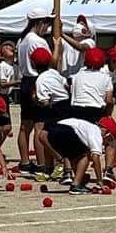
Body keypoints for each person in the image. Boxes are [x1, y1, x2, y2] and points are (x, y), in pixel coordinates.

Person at [16, 9, 53, 175]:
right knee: (40, 125)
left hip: (25, 81)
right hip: (37, 80)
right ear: (39, 23)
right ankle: (42, 164)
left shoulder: (22, 40)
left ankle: (24, 162)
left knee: (25, 126)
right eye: (47, 23)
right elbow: (51, 62)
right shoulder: (38, 41)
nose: (48, 27)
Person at [45, 114, 116, 193]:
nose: (106, 142)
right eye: (109, 138)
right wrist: (100, 181)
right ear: (105, 131)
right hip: (65, 131)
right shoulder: (96, 132)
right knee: (84, 157)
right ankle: (76, 185)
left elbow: (42, 136)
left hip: (53, 130)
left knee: (74, 155)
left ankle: (78, 179)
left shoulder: (87, 127)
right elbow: (95, 158)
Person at [32, 45, 70, 180]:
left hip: (57, 108)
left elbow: (44, 102)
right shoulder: (54, 73)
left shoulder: (40, 79)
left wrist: (36, 100)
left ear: (33, 64)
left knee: (43, 136)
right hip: (67, 103)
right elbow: (66, 85)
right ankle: (50, 167)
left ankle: (60, 161)